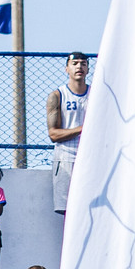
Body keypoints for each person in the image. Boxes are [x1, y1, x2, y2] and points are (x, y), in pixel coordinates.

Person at [47, 51, 90, 216]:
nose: (79, 66)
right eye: (75, 63)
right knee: (68, 211)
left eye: (83, 63)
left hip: (89, 157)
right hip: (66, 157)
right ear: (67, 69)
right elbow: (53, 134)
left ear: (88, 69)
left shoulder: (96, 95)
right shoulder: (57, 96)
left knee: (91, 207)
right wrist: (82, 128)